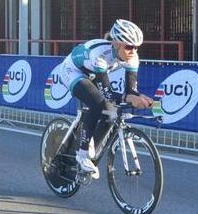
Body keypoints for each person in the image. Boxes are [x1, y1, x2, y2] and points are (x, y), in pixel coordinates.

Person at [58, 19, 153, 179]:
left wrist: (138, 97)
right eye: (129, 46)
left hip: (93, 73)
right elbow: (107, 94)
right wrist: (128, 97)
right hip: (73, 72)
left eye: (136, 47)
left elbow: (131, 90)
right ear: (116, 43)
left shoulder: (132, 57)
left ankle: (90, 149)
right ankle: (82, 154)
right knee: (99, 104)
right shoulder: (100, 54)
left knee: (111, 115)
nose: (133, 51)